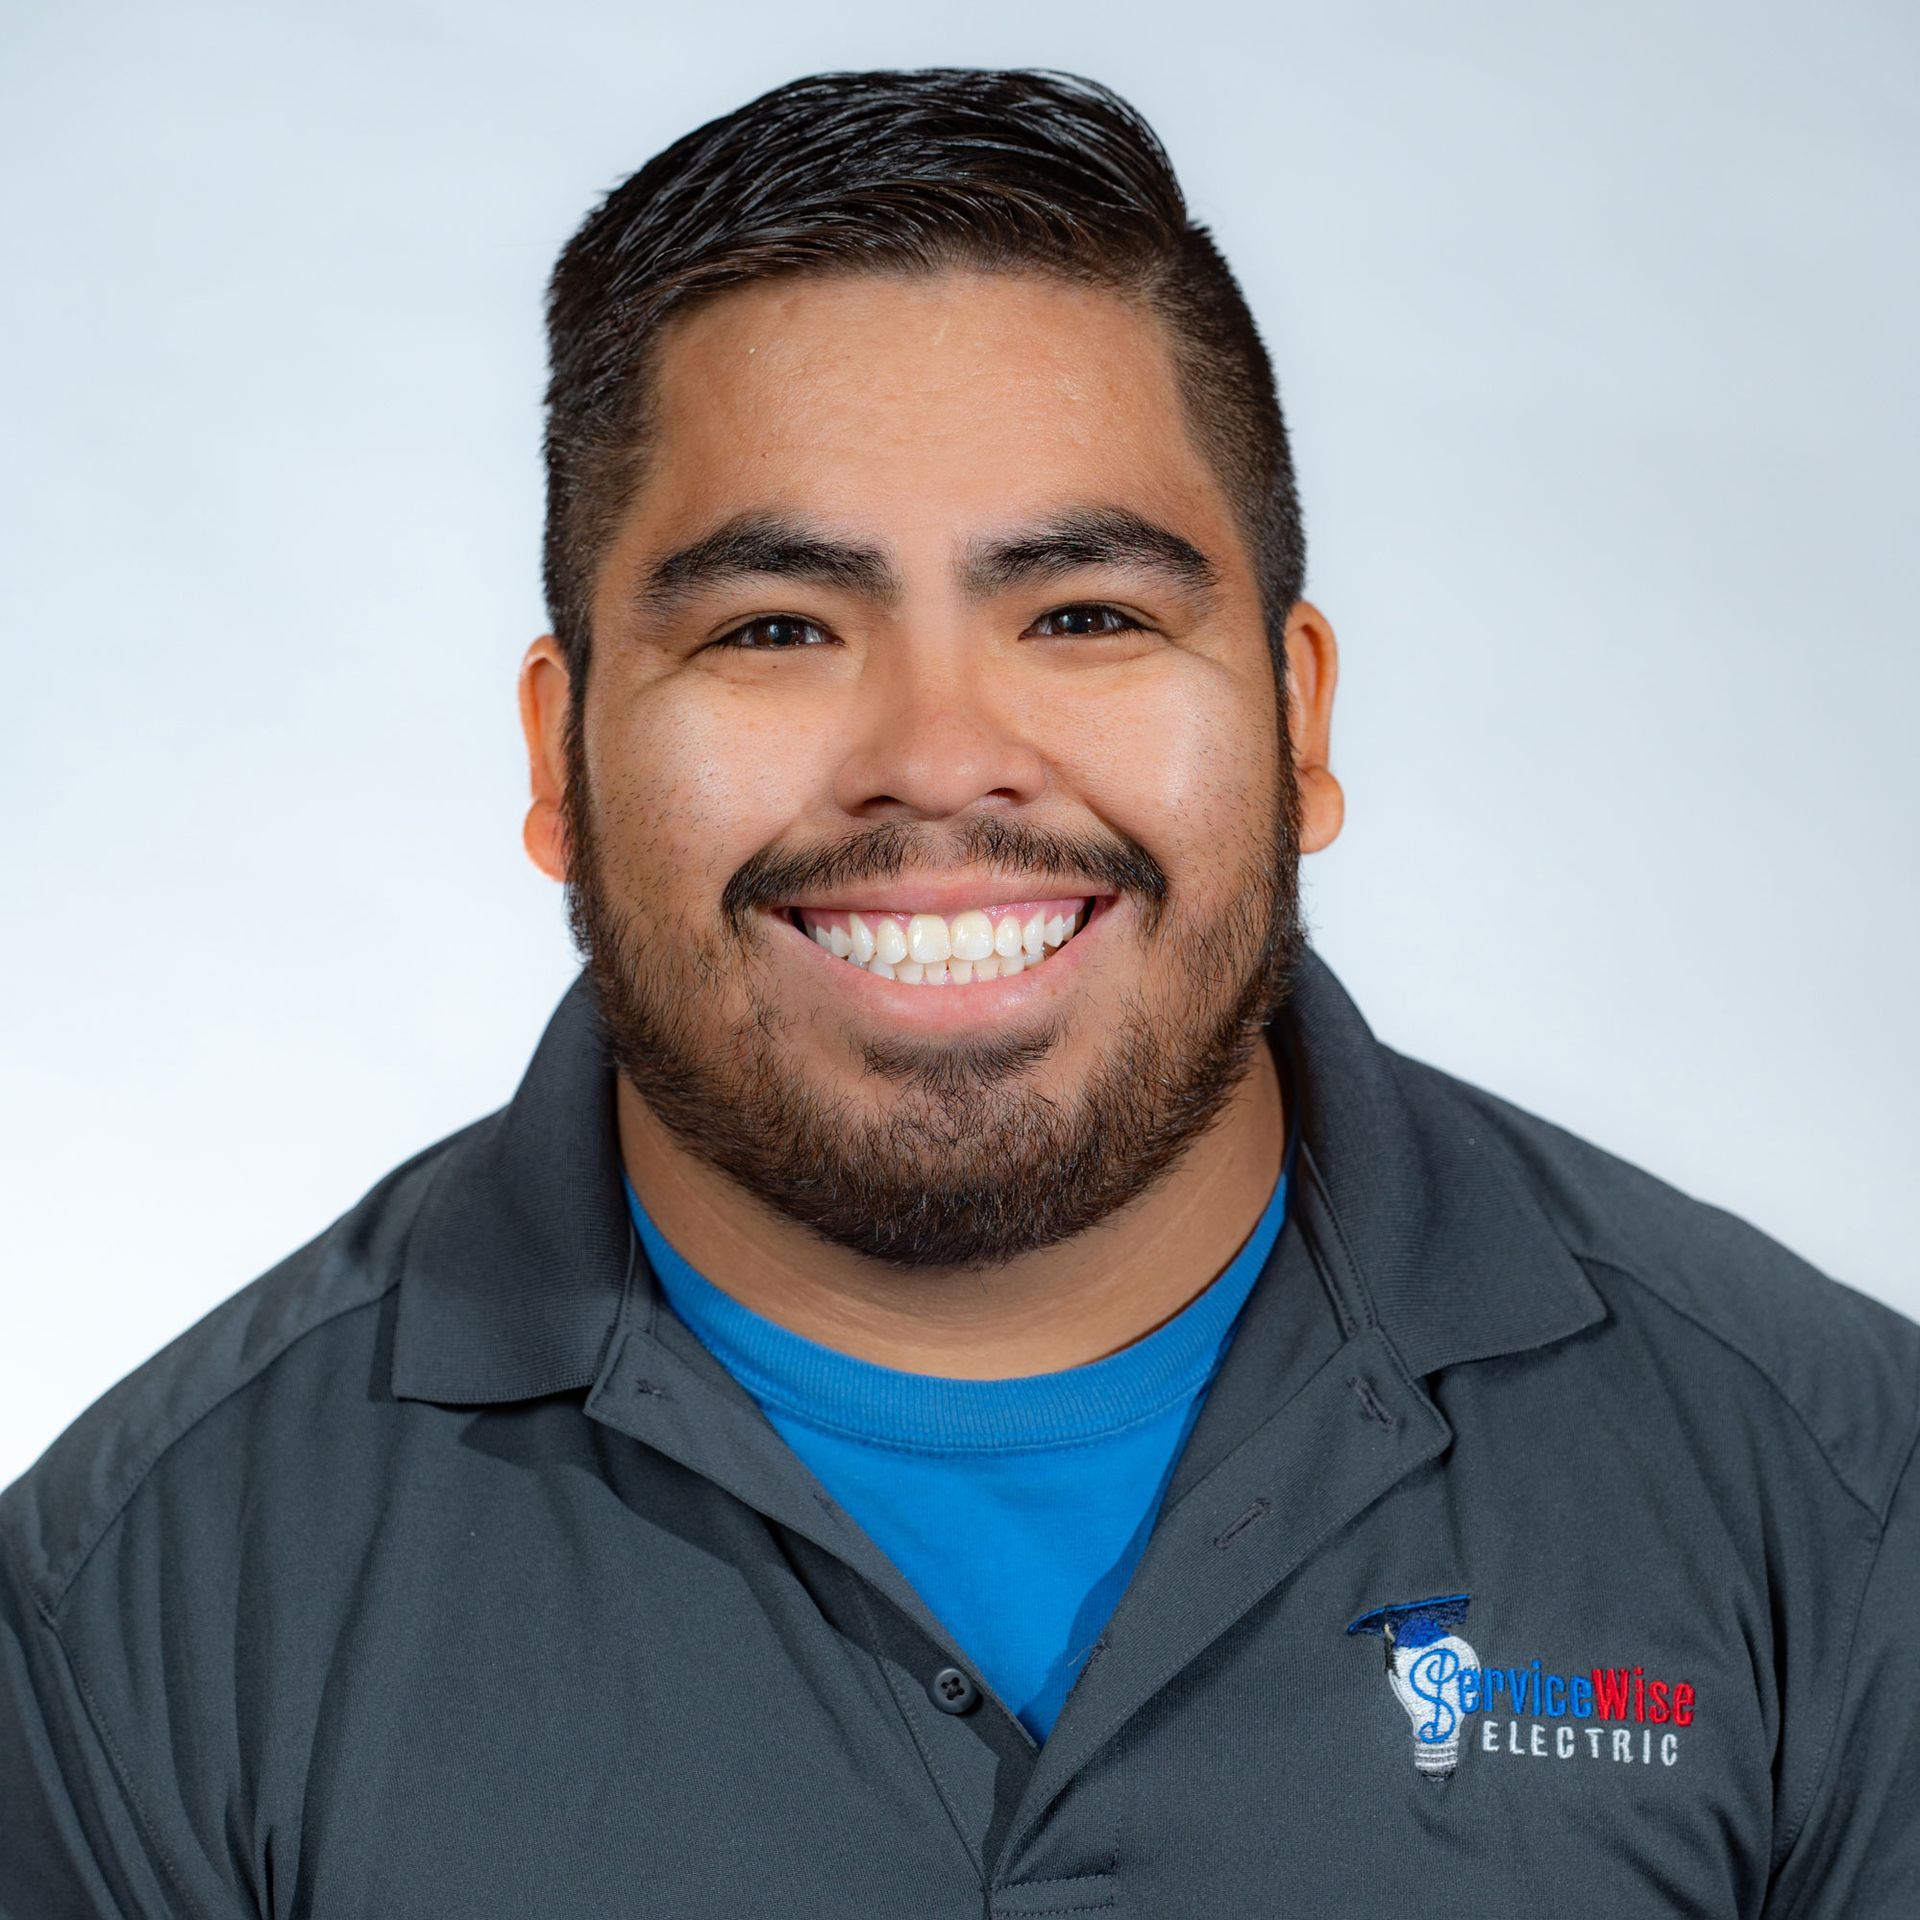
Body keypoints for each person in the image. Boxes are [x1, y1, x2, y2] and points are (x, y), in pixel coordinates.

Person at [3, 66, 1914, 1918]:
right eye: (775, 628)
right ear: (558, 755)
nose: (937, 754)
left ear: (1302, 713)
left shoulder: (1843, 1502)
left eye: (1083, 616)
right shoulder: (136, 1610)